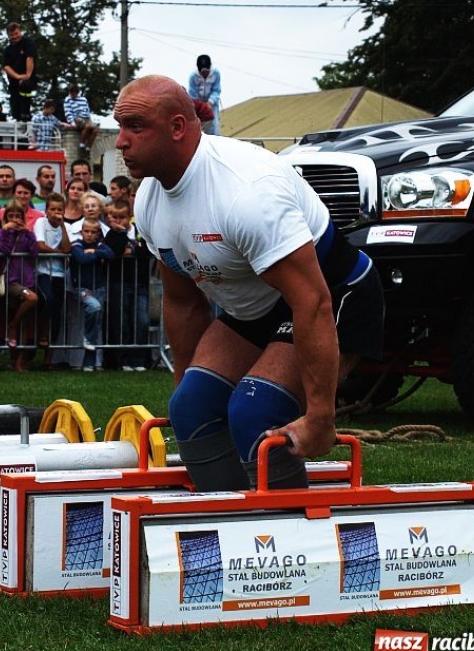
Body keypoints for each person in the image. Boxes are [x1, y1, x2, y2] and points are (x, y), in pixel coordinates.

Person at [113, 75, 385, 491]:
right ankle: (223, 536)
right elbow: (184, 303)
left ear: (177, 128)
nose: (120, 142)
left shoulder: (246, 190)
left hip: (331, 292)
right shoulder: (149, 199)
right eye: (120, 126)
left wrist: (319, 418)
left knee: (254, 412)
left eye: (134, 126)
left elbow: (312, 302)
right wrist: (186, 387)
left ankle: (289, 541)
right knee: (190, 410)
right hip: (255, 306)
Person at [104, 198, 152, 371]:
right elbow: (114, 252)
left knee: (141, 320)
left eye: (121, 217)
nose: (118, 221)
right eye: (114, 217)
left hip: (140, 282)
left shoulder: (141, 231)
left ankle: (138, 359)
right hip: (119, 282)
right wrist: (120, 233)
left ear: (129, 216)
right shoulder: (112, 234)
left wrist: (133, 250)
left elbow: (148, 250)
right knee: (122, 321)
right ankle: (122, 360)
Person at [0, 202, 40, 371]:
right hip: (11, 280)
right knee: (31, 298)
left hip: (26, 278)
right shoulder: (0, 232)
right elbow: (5, 250)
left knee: (25, 321)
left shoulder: (27, 233)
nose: (15, 220)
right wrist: (7, 231)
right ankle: (12, 326)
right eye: (11, 216)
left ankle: (18, 362)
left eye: (18, 216)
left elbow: (34, 252)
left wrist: (28, 233)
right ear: (6, 217)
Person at [70, 218, 120, 372]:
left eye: (93, 232)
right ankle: (86, 344)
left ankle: (89, 363)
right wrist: (98, 255)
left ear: (98, 234)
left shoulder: (99, 245)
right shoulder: (77, 244)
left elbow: (111, 254)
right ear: (82, 231)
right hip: (82, 288)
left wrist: (95, 252)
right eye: (87, 231)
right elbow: (82, 258)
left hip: (99, 288)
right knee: (94, 307)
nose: (89, 235)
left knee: (96, 323)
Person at [33, 193, 72, 355]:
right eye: (53, 209)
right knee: (47, 299)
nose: (56, 212)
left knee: (57, 312)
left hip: (59, 274)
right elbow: (40, 246)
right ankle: (41, 334)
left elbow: (68, 249)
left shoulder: (66, 227)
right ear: (46, 210)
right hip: (43, 272)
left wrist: (62, 226)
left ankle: (50, 356)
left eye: (59, 209)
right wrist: (58, 253)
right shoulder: (40, 222)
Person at [2, 22, 37, 121]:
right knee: (15, 106)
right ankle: (17, 117)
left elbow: (30, 58)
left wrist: (27, 75)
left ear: (20, 32)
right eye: (11, 35)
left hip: (28, 78)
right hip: (14, 81)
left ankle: (26, 113)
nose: (14, 36)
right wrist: (17, 77)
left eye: (16, 33)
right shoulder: (7, 50)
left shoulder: (27, 42)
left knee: (25, 89)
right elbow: (6, 66)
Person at [188, 54, 222, 135]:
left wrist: (210, 103)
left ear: (210, 66)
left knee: (214, 124)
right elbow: (193, 95)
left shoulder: (216, 73)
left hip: (212, 104)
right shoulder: (193, 77)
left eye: (206, 71)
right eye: (202, 71)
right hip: (198, 105)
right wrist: (201, 106)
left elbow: (216, 90)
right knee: (197, 124)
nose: (204, 74)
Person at [64, 83, 99, 156]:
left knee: (95, 129)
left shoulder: (83, 99)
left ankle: (88, 149)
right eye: (72, 92)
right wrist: (72, 122)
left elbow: (87, 110)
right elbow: (68, 112)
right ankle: (81, 146)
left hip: (86, 118)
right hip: (76, 118)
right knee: (87, 126)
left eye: (75, 92)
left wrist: (89, 119)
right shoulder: (68, 99)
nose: (73, 94)